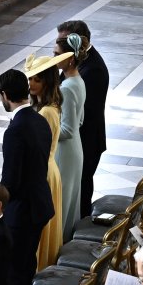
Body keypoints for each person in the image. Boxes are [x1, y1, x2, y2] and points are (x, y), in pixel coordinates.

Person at [0, 68, 53, 285]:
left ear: (5, 95)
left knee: (15, 270)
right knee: (26, 262)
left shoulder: (16, 129)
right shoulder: (39, 119)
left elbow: (12, 180)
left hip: (22, 210)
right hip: (39, 203)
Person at [57, 20, 108, 220]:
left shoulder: (91, 69)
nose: (59, 47)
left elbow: (82, 114)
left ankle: (79, 230)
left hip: (86, 141)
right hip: (82, 140)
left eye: (63, 41)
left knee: (80, 191)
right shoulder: (80, 65)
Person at [26, 52, 70, 269]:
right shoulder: (49, 106)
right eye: (30, 79)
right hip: (49, 169)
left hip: (44, 171)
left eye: (37, 79)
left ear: (47, 81)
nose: (32, 83)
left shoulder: (46, 112)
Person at [53, 33, 87, 241]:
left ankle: (58, 247)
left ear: (70, 58)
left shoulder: (66, 87)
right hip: (75, 150)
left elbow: (68, 129)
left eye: (57, 54)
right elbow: (80, 120)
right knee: (68, 201)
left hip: (65, 152)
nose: (53, 57)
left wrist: (45, 127)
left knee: (62, 203)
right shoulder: (77, 81)